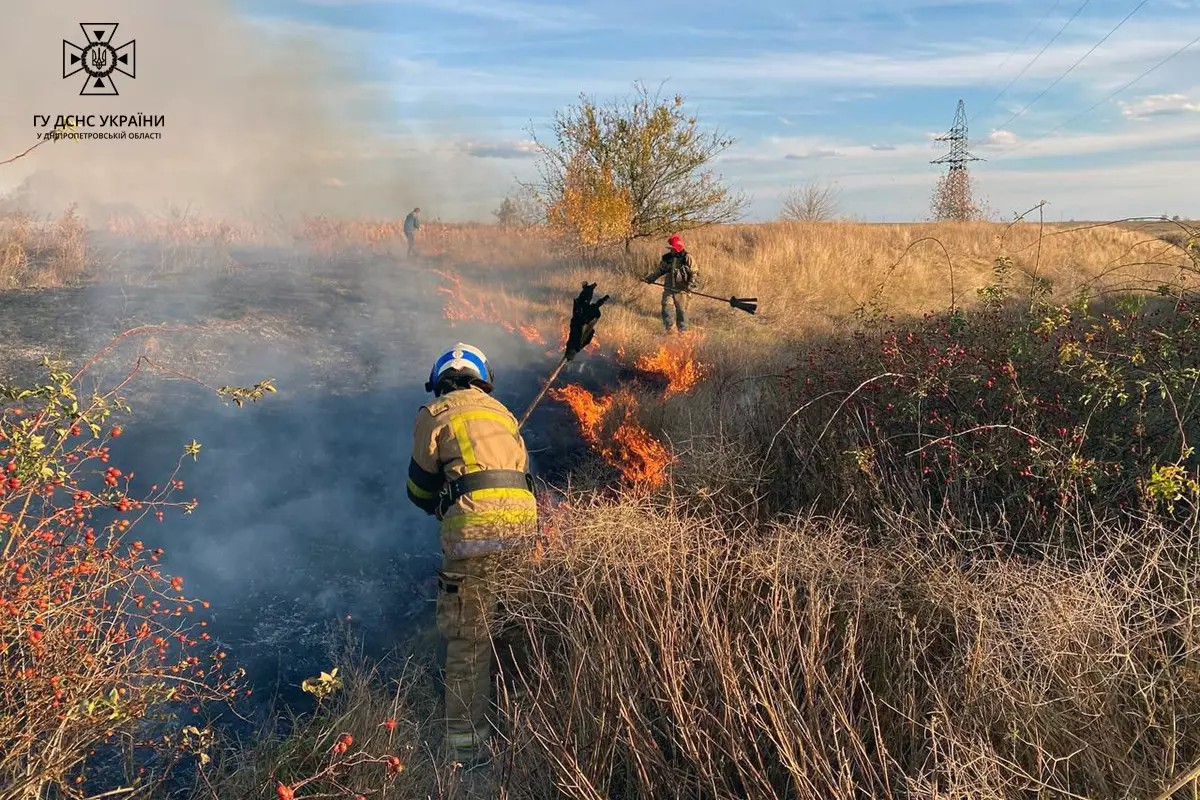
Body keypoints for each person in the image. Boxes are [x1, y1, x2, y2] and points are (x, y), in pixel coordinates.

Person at [406, 343, 537, 767]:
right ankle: (525, 712)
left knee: (469, 636)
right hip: (522, 525)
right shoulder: (503, 413)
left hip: (473, 527)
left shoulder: (434, 414)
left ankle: (465, 750)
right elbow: (518, 471)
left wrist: (441, 502)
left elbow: (419, 488)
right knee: (512, 619)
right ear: (483, 379)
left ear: (440, 382)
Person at [643, 234, 698, 333]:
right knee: (666, 308)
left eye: (672, 248)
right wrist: (650, 279)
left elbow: (694, 272)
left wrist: (691, 285)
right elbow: (659, 271)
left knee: (682, 313)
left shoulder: (687, 257)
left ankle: (683, 334)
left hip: (682, 291)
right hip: (669, 289)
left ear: (677, 248)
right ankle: (670, 331)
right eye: (670, 248)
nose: (670, 250)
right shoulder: (667, 258)